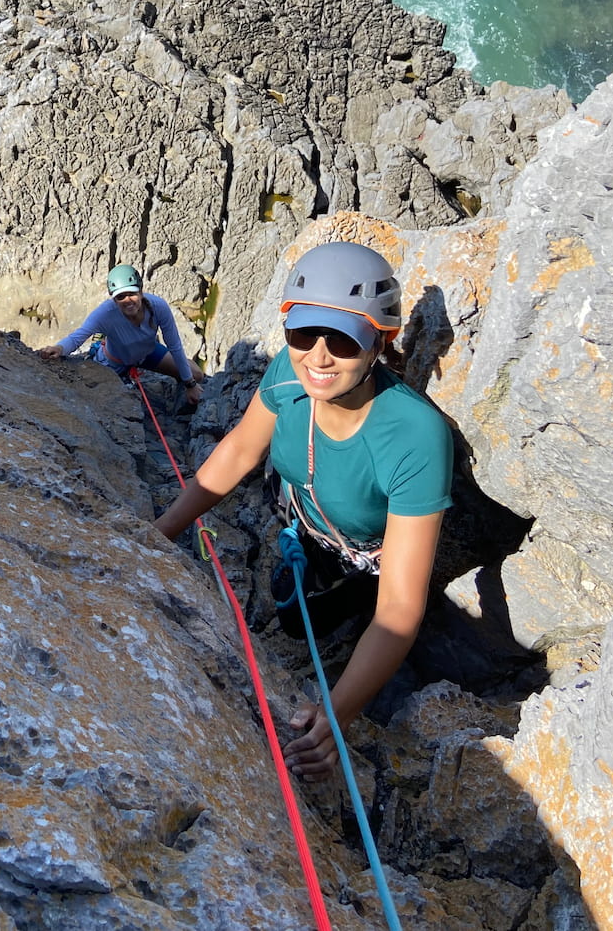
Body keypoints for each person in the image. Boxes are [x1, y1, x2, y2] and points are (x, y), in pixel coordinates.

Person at [154, 240, 452, 779]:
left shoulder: (415, 437)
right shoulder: (287, 379)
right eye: (301, 334)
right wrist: (161, 531)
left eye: (341, 339)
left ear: (380, 341)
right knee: (292, 618)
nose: (318, 356)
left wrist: (335, 719)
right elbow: (241, 451)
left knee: (303, 621)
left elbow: (400, 609)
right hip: (305, 524)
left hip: (367, 560)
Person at [38, 265, 205, 407]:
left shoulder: (158, 307)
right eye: (120, 297)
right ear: (114, 299)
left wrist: (190, 384)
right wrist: (59, 348)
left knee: (196, 374)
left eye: (132, 294)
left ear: (141, 292)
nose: (128, 300)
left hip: (147, 355)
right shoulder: (105, 313)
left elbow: (175, 346)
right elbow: (77, 337)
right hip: (113, 363)